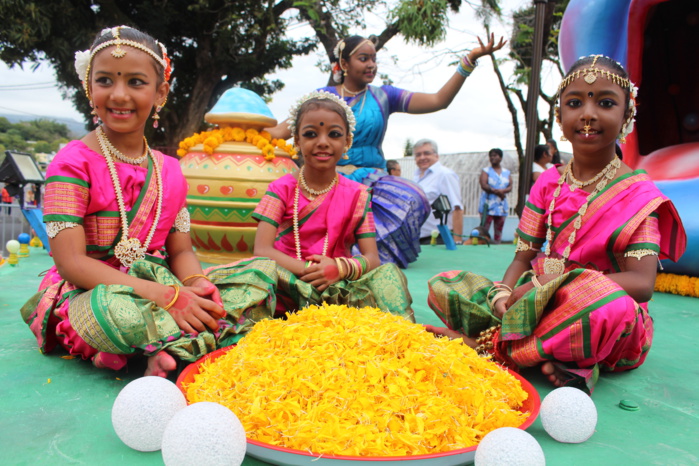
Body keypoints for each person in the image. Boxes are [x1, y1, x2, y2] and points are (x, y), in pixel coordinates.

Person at [424, 55, 686, 392]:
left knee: (607, 306)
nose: (588, 114)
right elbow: (522, 256)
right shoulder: (548, 182)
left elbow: (641, 283)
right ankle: (565, 359)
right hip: (536, 301)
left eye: (605, 103)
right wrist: (505, 294)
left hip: (602, 315)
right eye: (575, 103)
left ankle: (492, 345)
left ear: (627, 114)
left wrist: (549, 285)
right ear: (560, 117)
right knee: (448, 284)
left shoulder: (639, 194)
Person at [19, 26, 254, 378]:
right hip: (91, 290)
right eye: (105, 81)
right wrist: (166, 298)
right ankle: (174, 346)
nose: (119, 95)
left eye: (135, 82)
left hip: (163, 285)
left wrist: (194, 284)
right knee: (108, 311)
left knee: (258, 277)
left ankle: (160, 347)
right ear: (89, 88)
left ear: (160, 92)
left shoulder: (171, 170)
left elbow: (181, 252)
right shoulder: (70, 163)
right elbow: (70, 264)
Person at [268, 34, 505, 268]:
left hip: (371, 181)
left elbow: (438, 100)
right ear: (344, 64)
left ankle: (361, 261)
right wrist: (239, 128)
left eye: (373, 59)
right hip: (325, 178)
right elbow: (279, 132)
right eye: (363, 58)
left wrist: (469, 61)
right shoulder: (321, 99)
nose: (371, 64)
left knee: (413, 198)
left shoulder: (383, 96)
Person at [252, 91, 414, 321]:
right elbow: (262, 250)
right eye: (310, 134)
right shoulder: (281, 189)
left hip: (338, 286)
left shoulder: (358, 195)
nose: (322, 142)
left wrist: (338, 269)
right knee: (252, 275)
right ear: (297, 141)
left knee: (388, 274)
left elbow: (372, 258)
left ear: (347, 141)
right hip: (286, 282)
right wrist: (310, 270)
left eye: (334, 134)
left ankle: (399, 338)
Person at [413, 139, 464, 245]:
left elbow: (457, 208)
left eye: (426, 153)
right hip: (418, 239)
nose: (422, 157)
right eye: (418, 155)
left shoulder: (445, 175)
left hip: (439, 240)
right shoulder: (416, 178)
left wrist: (457, 242)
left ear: (436, 156)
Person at [478, 148, 511, 244]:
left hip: (501, 206)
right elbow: (484, 185)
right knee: (484, 229)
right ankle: (483, 245)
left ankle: (497, 246)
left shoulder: (506, 172)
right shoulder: (486, 171)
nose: (492, 158)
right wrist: (498, 192)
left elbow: (510, 186)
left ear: (500, 157)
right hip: (488, 205)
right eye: (491, 156)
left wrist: (503, 191)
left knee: (499, 230)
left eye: (495, 155)